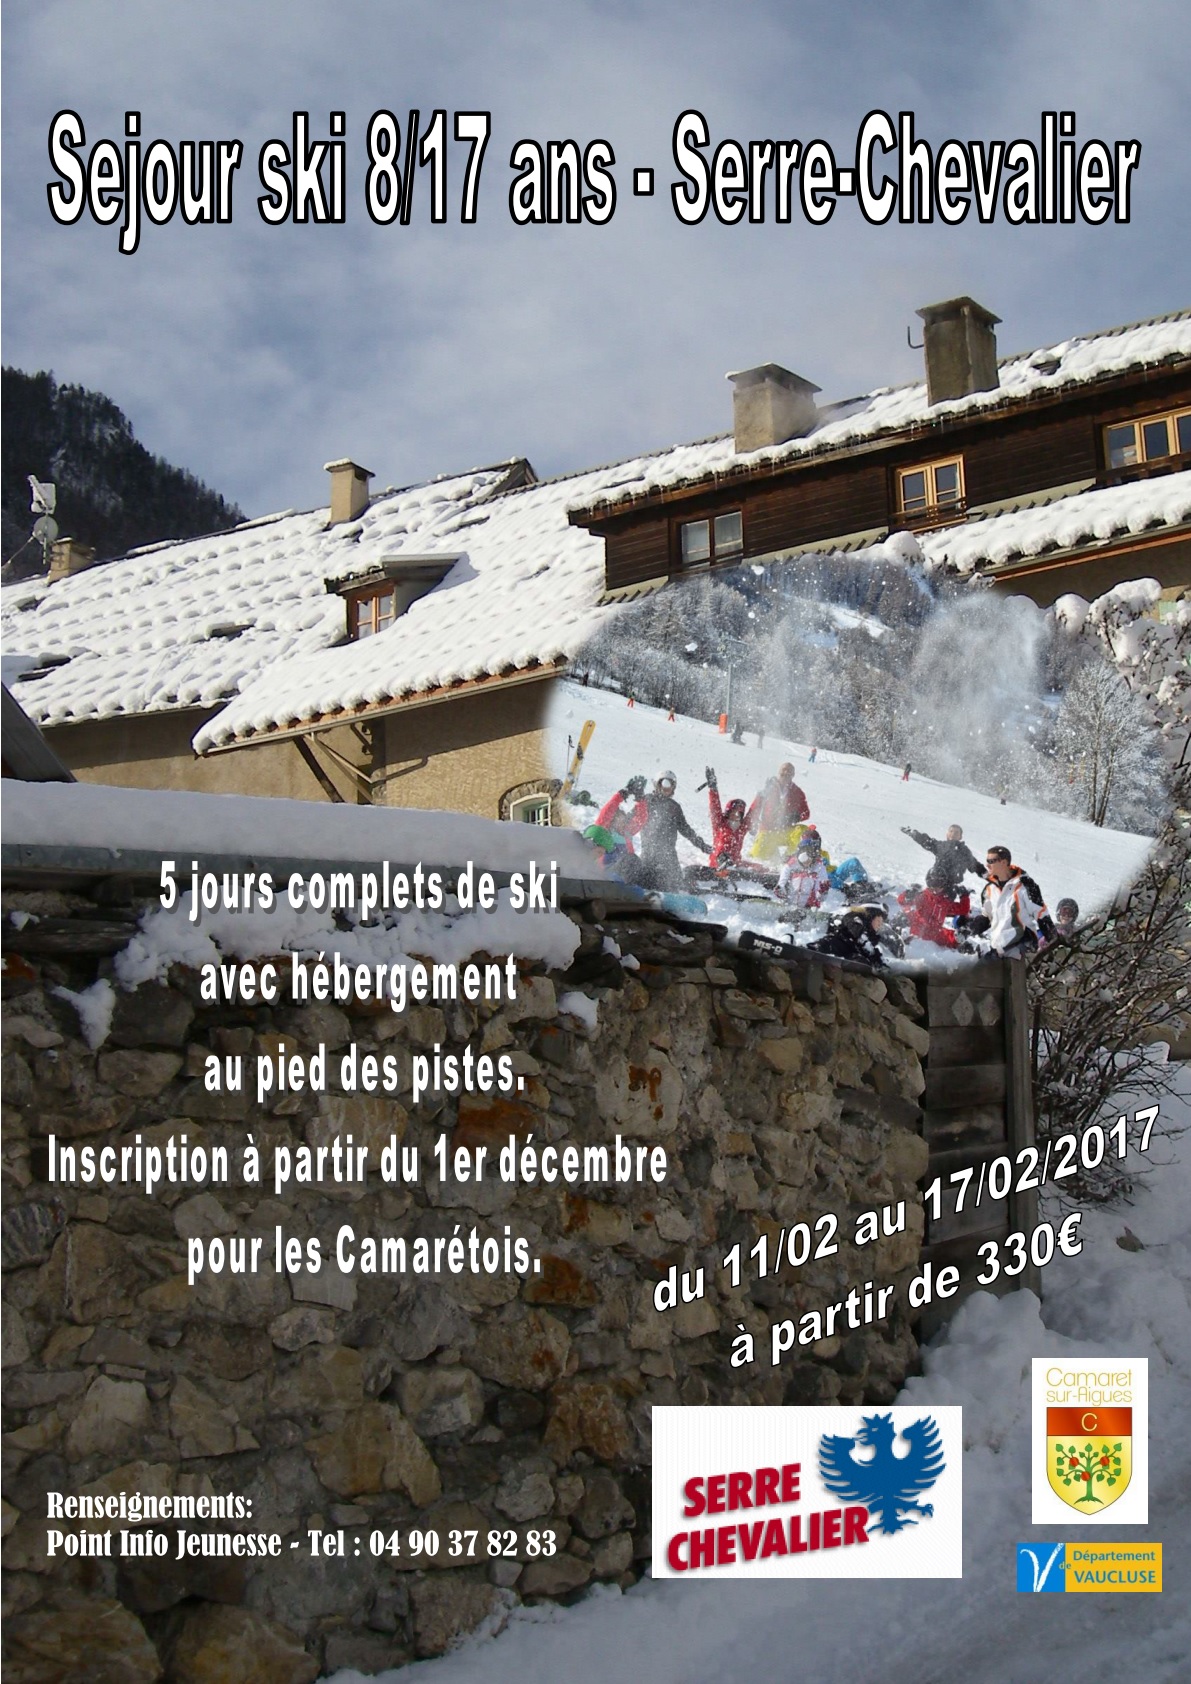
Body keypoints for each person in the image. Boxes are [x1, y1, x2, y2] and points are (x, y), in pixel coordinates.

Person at [959, 845, 1055, 957]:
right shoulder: (989, 889)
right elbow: (987, 918)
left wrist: (1054, 942)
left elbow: (1042, 915)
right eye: (987, 861)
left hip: (1022, 947)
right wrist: (969, 929)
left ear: (1003, 862)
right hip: (999, 948)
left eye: (991, 861)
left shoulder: (1025, 886)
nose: (987, 865)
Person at [634, 771, 710, 891]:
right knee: (646, 883)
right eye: (663, 783)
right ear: (657, 785)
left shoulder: (674, 807)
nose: (666, 788)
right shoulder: (647, 801)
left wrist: (702, 845)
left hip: (668, 856)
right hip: (649, 854)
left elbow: (686, 829)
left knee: (675, 886)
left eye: (670, 785)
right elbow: (630, 821)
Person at [747, 763, 811, 862]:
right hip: (767, 831)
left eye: (789, 771)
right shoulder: (768, 788)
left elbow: (806, 813)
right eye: (784, 770)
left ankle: (789, 859)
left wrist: (796, 817)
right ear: (779, 771)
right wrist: (751, 823)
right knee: (757, 857)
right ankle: (764, 854)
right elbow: (755, 806)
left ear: (793, 775)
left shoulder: (797, 792)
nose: (786, 772)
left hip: (785, 831)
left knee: (802, 830)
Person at [898, 863, 971, 948]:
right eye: (932, 884)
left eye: (939, 884)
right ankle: (897, 936)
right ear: (928, 883)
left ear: (944, 885)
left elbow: (963, 909)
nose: (935, 888)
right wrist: (907, 895)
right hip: (916, 929)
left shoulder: (944, 903)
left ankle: (960, 942)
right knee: (905, 917)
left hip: (933, 934)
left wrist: (964, 896)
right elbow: (901, 901)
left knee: (952, 938)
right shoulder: (922, 896)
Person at [900, 823, 984, 895]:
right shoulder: (941, 846)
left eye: (956, 832)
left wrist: (985, 874)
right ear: (947, 834)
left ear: (960, 837)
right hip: (936, 881)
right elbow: (926, 841)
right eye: (951, 831)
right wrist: (913, 833)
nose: (953, 834)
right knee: (927, 899)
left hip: (951, 885)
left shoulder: (964, 851)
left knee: (944, 903)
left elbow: (974, 864)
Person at [809, 904, 887, 968]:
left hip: (845, 964)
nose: (879, 925)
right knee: (828, 945)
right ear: (870, 916)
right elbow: (852, 927)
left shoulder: (871, 942)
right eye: (878, 921)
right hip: (836, 945)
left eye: (881, 923)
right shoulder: (855, 919)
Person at [705, 766, 752, 870]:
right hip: (718, 862)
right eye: (733, 812)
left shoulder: (742, 828)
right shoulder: (720, 824)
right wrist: (713, 788)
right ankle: (725, 867)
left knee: (757, 868)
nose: (736, 815)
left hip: (735, 864)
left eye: (739, 813)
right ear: (728, 812)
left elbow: (753, 812)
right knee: (723, 857)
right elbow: (715, 807)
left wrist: (761, 796)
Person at [594, 777, 647, 854]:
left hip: (625, 860)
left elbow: (641, 818)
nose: (621, 820)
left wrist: (640, 799)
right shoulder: (604, 830)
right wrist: (621, 794)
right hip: (607, 860)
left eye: (623, 817)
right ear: (612, 819)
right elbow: (607, 811)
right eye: (618, 817)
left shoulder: (627, 831)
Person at [777, 845, 830, 909]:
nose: (806, 864)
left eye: (808, 861)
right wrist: (780, 889)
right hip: (790, 903)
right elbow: (782, 882)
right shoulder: (791, 865)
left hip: (808, 906)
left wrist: (823, 891)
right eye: (804, 862)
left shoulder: (819, 868)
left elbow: (822, 898)